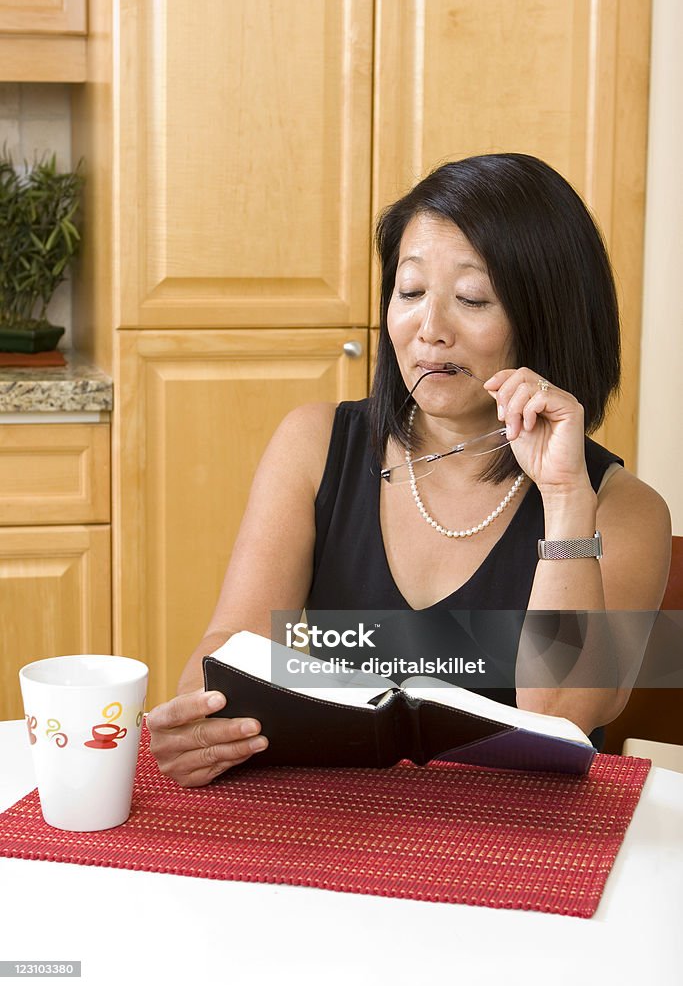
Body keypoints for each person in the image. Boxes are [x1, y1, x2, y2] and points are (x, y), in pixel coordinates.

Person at [148, 152, 671, 787]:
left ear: (547, 317)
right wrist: (203, 720)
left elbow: (562, 715)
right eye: (411, 291)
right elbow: (237, 646)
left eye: (472, 299)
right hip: (344, 824)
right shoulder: (314, 445)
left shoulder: (623, 510)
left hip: (529, 849)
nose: (429, 331)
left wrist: (563, 496)